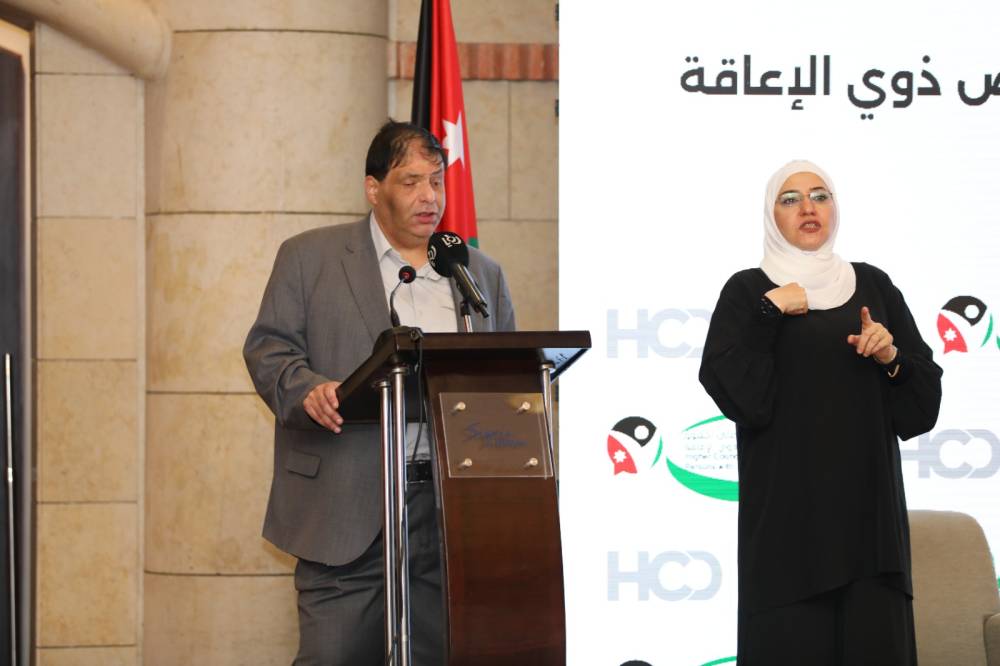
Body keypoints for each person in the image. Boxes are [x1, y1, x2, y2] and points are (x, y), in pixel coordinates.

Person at [244, 120, 516, 665]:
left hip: (449, 510)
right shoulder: (310, 257)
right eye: (411, 182)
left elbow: (506, 374)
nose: (429, 197)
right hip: (346, 502)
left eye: (436, 181)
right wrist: (308, 389)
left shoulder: (477, 273)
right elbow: (269, 349)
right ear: (374, 189)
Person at [698, 160, 942, 665]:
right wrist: (770, 312)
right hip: (787, 536)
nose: (807, 208)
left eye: (820, 195)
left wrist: (890, 357)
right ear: (771, 215)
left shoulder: (873, 286)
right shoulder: (748, 292)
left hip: (870, 534)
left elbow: (921, 410)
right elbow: (740, 396)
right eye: (790, 199)